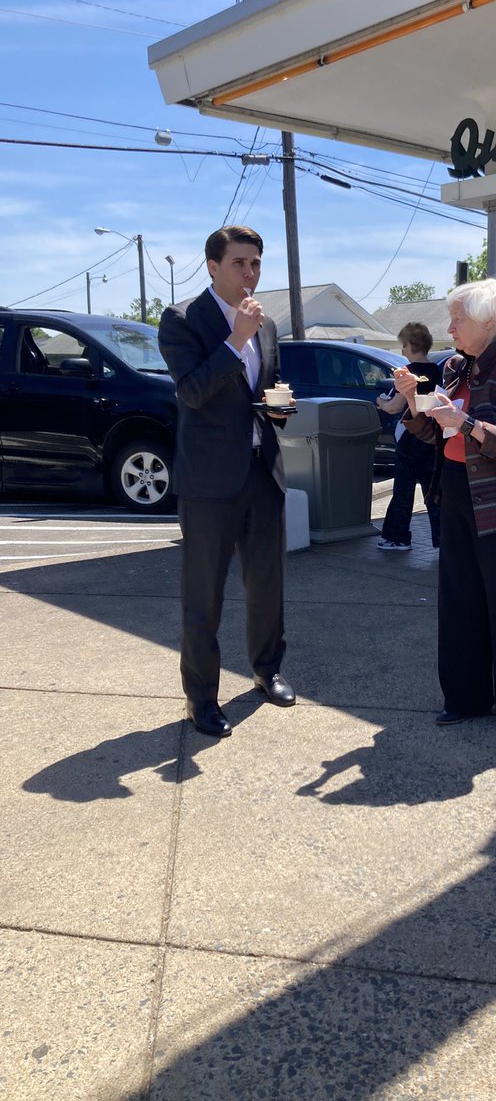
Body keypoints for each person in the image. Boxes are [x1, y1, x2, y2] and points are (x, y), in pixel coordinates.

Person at [393, 278, 496, 733]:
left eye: (457, 319)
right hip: (456, 490)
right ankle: (464, 697)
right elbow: (433, 434)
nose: (450, 329)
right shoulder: (453, 368)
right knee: (459, 601)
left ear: (488, 320)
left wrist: (466, 423)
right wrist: (414, 401)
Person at [158, 226, 296, 738]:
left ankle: (267, 669)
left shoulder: (266, 324)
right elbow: (192, 391)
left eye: (256, 263)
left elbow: (260, 390)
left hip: (262, 471)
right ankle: (202, 699)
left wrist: (279, 406)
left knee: (267, 586)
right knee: (203, 596)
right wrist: (235, 337)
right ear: (213, 266)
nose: (251, 273)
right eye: (240, 263)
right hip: (210, 481)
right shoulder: (183, 320)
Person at [375, 322, 441, 551]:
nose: (402, 350)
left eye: (403, 345)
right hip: (433, 436)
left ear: (410, 345)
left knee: (403, 489)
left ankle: (397, 537)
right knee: (433, 491)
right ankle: (443, 539)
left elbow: (394, 406)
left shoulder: (407, 374)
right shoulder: (439, 370)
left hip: (411, 436)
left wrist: (381, 402)